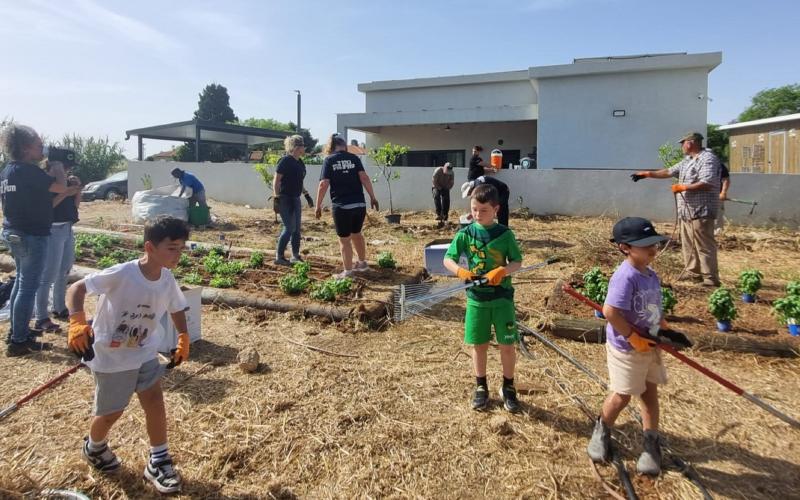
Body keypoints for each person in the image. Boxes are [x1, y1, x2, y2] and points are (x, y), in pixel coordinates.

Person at [66, 216, 191, 494]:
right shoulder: (123, 273)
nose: (178, 254)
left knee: (155, 401)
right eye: (172, 247)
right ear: (150, 247)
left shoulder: (167, 278)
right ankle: (94, 448)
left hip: (144, 352)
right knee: (111, 413)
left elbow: (176, 307)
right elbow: (77, 288)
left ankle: (158, 460)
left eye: (181, 248)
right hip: (112, 357)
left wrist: (183, 337)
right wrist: (77, 321)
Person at [587, 217, 670, 475]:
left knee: (649, 394)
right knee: (622, 394)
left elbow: (652, 305)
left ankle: (651, 442)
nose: (652, 249)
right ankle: (602, 429)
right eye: (645, 245)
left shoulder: (650, 274)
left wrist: (661, 326)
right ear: (625, 247)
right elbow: (610, 311)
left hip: (650, 345)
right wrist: (632, 337)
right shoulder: (626, 276)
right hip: (627, 348)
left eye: (654, 243)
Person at [0, 124, 80, 357]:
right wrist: (57, 167)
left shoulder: (8, 171)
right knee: (27, 286)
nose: (41, 149)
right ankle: (18, 341)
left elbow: (43, 197)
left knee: (21, 283)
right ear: (26, 149)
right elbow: (61, 187)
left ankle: (18, 330)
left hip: (13, 231)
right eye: (37, 145)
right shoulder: (30, 171)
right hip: (32, 234)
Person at [443, 184, 523, 413]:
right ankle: (481, 386)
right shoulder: (466, 234)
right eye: (474, 209)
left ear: (496, 209)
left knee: (507, 345)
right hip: (476, 300)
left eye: (484, 210)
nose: (478, 215)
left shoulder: (505, 235)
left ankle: (508, 386)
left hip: (502, 300)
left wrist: (503, 271)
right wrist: (460, 271)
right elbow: (449, 258)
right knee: (479, 346)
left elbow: (517, 261)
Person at [631, 131, 721, 286]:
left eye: (683, 143)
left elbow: (708, 182)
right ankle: (693, 273)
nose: (681, 147)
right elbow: (668, 171)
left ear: (690, 142)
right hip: (687, 211)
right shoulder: (688, 160)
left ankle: (710, 279)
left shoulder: (707, 158)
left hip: (701, 210)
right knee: (688, 243)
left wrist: (684, 186)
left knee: (703, 245)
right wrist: (646, 174)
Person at [315, 134, 379, 278]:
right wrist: (373, 197)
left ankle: (348, 272)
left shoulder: (329, 160)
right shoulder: (355, 158)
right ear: (344, 146)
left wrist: (318, 205)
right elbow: (364, 177)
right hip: (359, 204)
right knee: (357, 234)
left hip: (342, 206)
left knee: (344, 240)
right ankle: (362, 263)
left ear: (331, 147)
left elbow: (323, 184)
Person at [33, 162, 81, 332]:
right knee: (48, 274)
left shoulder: (66, 183)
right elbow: (47, 207)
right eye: (61, 168)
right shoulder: (47, 184)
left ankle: (59, 307)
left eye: (66, 168)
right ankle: (41, 316)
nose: (65, 171)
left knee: (65, 270)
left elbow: (74, 207)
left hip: (67, 227)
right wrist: (66, 191)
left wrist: (77, 190)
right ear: (50, 168)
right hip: (53, 229)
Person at [273, 135, 312, 266]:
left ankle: (295, 255)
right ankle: (279, 257)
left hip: (295, 198)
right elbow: (277, 180)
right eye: (302, 146)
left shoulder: (300, 163)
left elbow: (299, 182)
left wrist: (306, 194)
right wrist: (276, 197)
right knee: (289, 228)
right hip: (285, 198)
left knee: (296, 230)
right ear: (296, 147)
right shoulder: (285, 161)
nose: (304, 148)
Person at [715, 161, 731, 235]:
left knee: (718, 214)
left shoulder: (718, 164)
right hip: (699, 197)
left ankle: (718, 233)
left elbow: (726, 179)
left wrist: (723, 192)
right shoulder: (692, 162)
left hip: (716, 195)